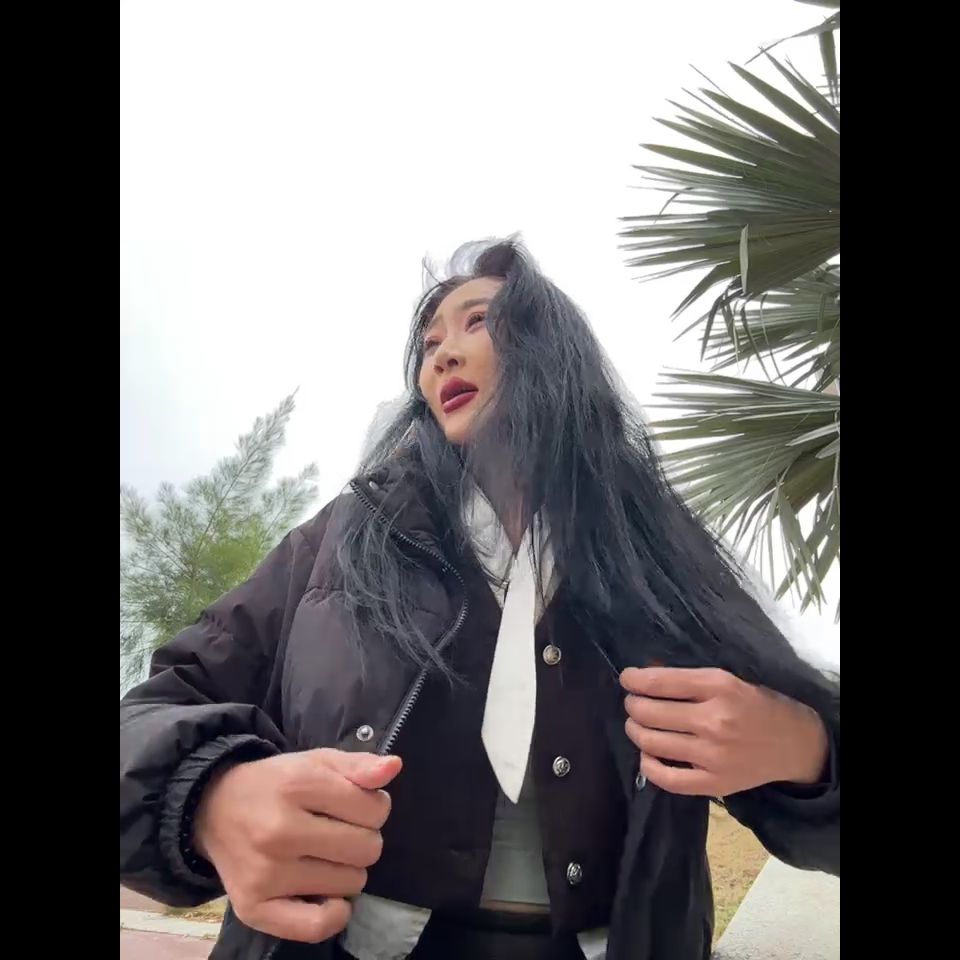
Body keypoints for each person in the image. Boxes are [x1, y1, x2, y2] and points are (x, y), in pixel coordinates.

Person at [120, 239, 840, 960]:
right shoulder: (344, 537)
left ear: (551, 345)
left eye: (477, 322)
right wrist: (210, 796)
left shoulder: (651, 545)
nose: (442, 357)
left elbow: (802, 754)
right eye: (429, 344)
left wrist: (802, 748)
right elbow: (151, 712)